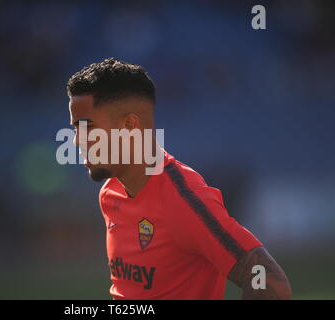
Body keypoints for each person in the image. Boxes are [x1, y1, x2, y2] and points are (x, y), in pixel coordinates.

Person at [66, 58, 292, 299]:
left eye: (88, 127)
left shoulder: (184, 199)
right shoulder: (110, 193)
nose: (76, 140)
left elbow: (271, 283)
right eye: (75, 129)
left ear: (129, 125)